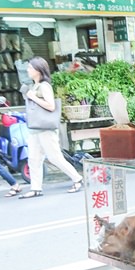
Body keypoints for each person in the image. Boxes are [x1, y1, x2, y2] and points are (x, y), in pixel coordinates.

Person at [20, 57, 84, 199]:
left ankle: (77, 179)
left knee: (55, 157)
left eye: (30, 67)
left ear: (38, 70)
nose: (28, 70)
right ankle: (36, 188)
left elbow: (51, 106)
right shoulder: (34, 86)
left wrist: (32, 97)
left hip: (46, 129)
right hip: (35, 129)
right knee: (33, 159)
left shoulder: (44, 86)